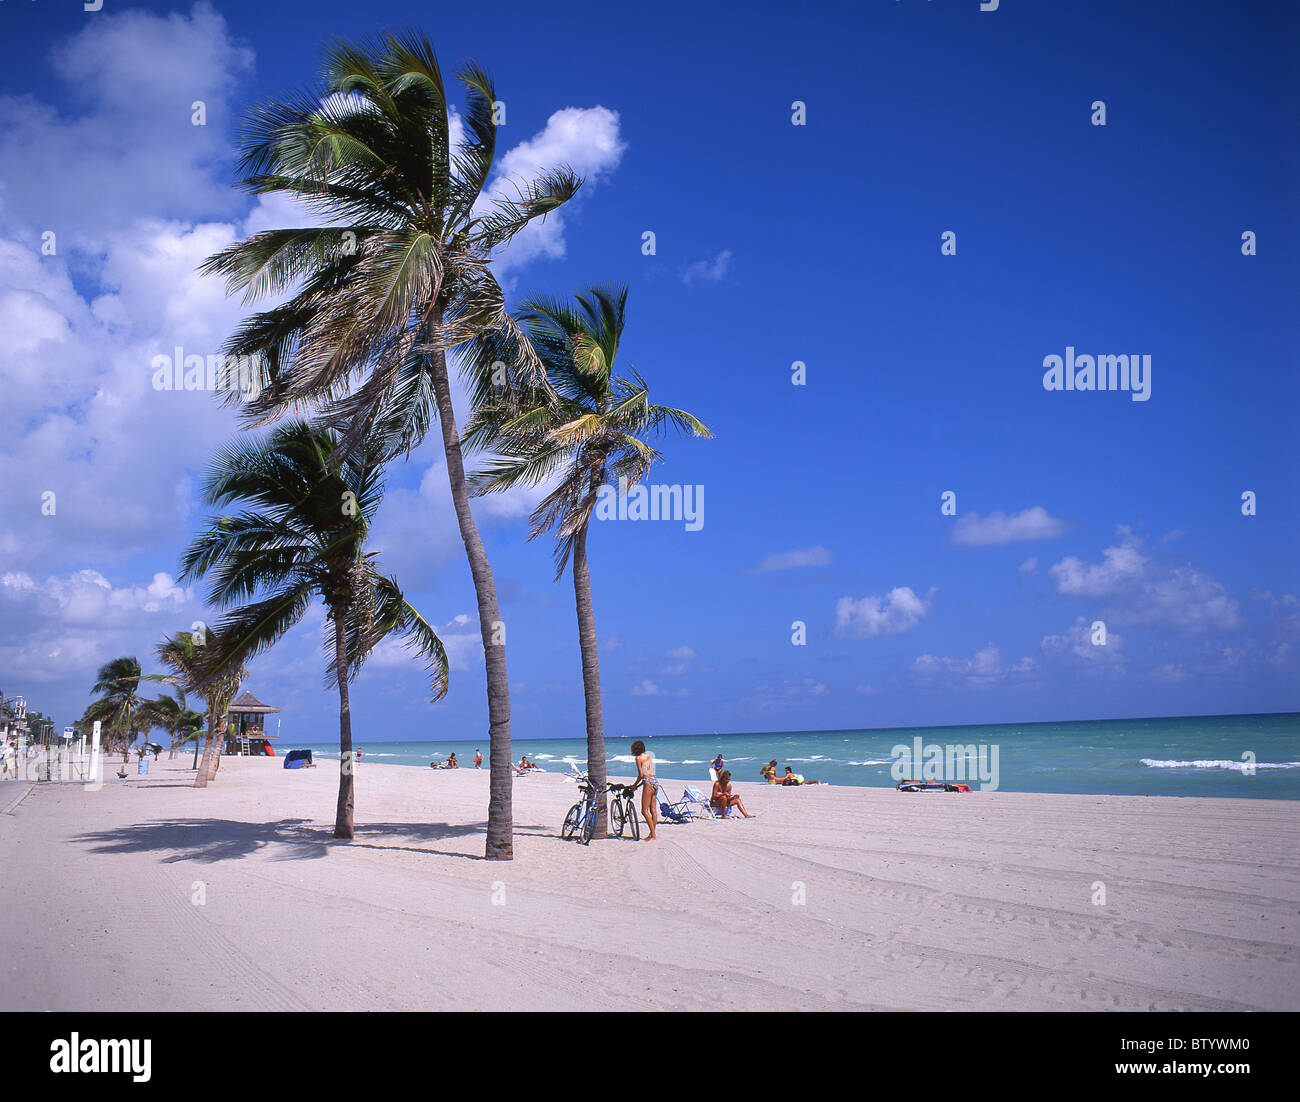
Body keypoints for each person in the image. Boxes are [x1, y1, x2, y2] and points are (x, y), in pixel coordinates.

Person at [629, 739, 659, 841]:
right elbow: (649, 774)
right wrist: (637, 786)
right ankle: (652, 834)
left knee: (644, 811)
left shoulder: (638, 758)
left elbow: (641, 776)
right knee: (653, 810)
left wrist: (634, 786)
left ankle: (653, 835)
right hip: (655, 782)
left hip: (648, 784)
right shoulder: (648, 756)